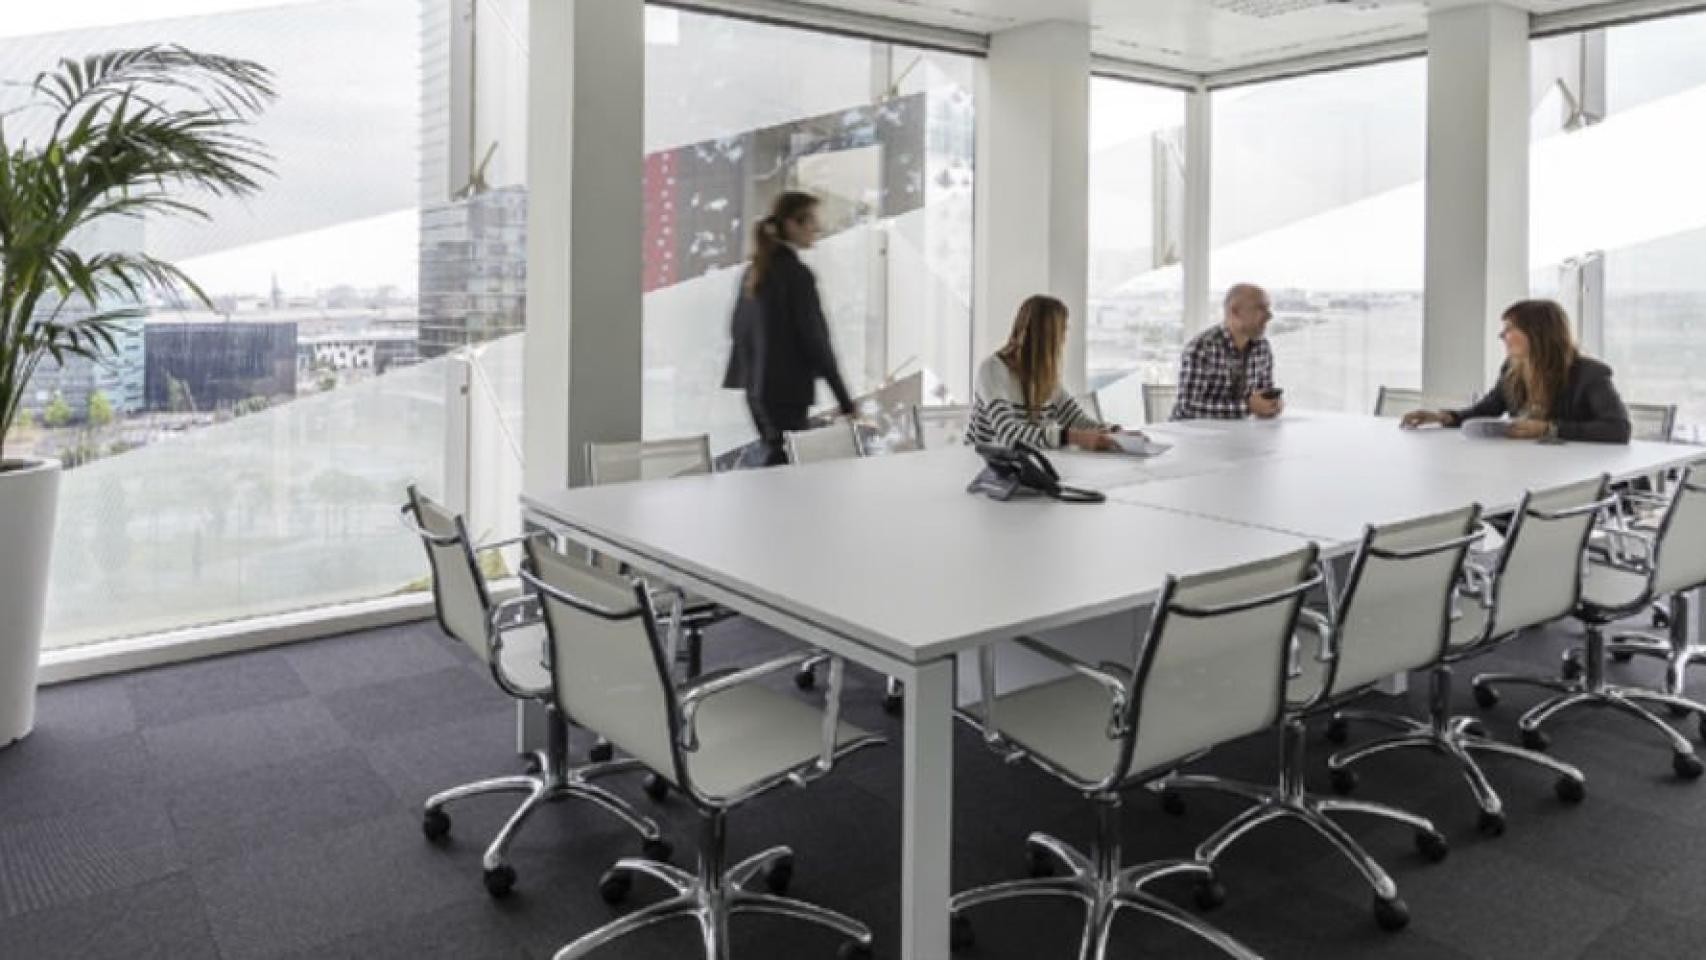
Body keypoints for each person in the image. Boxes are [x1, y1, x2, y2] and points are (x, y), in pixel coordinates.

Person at [723, 191, 856, 466]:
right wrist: (846, 401)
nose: (817, 228)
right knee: (785, 476)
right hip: (787, 395)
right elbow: (816, 341)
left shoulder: (753, 273)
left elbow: (737, 331)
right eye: (811, 221)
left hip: (757, 395)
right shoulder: (796, 276)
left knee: (778, 468)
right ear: (792, 224)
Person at [1401, 299, 1631, 443]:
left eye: (1510, 329)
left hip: (1581, 476)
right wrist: (1444, 417)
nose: (1502, 336)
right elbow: (1490, 408)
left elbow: (1618, 429)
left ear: (1537, 333)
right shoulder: (1513, 368)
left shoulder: (1590, 374)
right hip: (1530, 465)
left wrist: (1550, 429)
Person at [966, 294, 1118, 451]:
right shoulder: (992, 369)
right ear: (1048, 336)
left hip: (1023, 467)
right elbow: (1009, 435)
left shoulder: (1045, 377)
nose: (1064, 339)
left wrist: (1116, 433)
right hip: (985, 467)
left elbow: (1078, 421)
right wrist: (1071, 437)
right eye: (1062, 331)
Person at [1171, 283, 1283, 421]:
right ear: (1235, 311)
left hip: (1236, 434)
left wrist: (1271, 404)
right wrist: (1248, 407)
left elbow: (1263, 394)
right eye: (1260, 308)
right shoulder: (1202, 348)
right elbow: (1188, 407)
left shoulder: (1262, 348)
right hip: (1191, 436)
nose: (1269, 316)